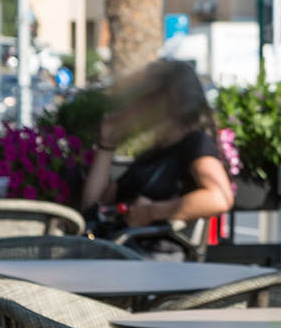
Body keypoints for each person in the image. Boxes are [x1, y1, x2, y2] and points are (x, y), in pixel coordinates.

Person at [80, 60, 235, 227]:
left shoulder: (194, 143)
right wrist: (107, 144)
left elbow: (219, 198)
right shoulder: (154, 152)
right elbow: (92, 207)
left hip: (147, 249)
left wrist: (151, 212)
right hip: (122, 246)